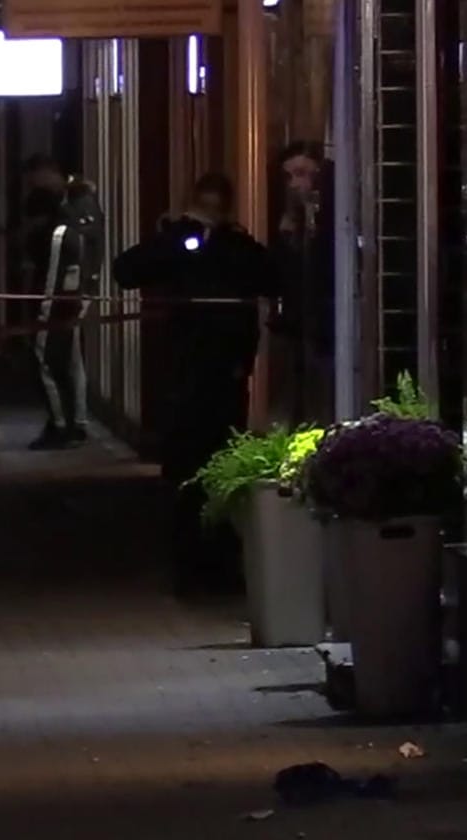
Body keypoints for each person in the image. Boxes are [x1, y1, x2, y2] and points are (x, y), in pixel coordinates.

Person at [113, 173, 278, 595]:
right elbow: (127, 270)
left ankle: (209, 560)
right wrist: (177, 234)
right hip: (200, 372)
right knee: (195, 469)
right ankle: (200, 562)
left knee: (206, 468)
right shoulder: (191, 244)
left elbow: (270, 275)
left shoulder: (231, 246)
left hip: (216, 372)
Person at [19, 154, 103, 449]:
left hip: (63, 293)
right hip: (77, 290)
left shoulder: (68, 213)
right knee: (71, 359)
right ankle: (75, 422)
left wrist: (51, 297)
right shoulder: (81, 202)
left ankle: (60, 423)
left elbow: (64, 255)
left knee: (46, 356)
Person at [269, 141, 336, 424]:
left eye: (302, 174)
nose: (295, 184)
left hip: (327, 319)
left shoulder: (334, 215)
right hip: (296, 321)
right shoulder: (282, 217)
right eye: (289, 177)